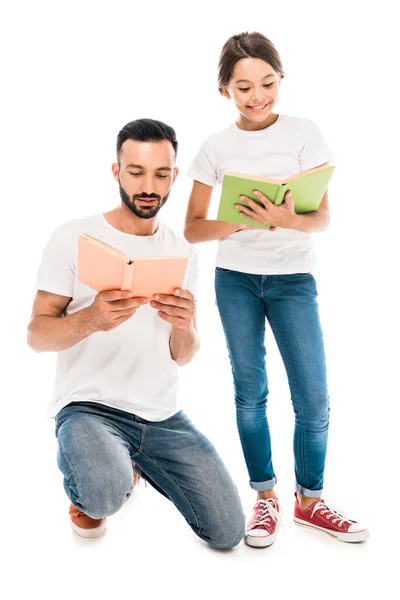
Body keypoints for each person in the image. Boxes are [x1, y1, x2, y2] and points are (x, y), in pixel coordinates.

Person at [184, 31, 369, 547]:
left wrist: (285, 217)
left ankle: (309, 501)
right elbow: (195, 228)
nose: (258, 95)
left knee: (313, 397)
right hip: (236, 281)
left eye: (267, 82)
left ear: (281, 79)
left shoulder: (305, 133)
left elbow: (323, 218)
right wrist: (239, 222)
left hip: (293, 282)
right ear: (225, 91)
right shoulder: (215, 147)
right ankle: (264, 500)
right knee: (251, 394)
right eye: (243, 87)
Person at [27, 118, 245, 547]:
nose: (149, 185)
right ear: (116, 172)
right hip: (88, 407)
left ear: (173, 177)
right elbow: (36, 334)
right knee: (104, 495)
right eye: (137, 172)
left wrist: (185, 323)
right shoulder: (72, 237)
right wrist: (91, 319)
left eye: (161, 174)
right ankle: (95, 481)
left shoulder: (181, 250)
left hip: (161, 415)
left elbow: (183, 354)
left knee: (228, 531)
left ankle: (132, 462)